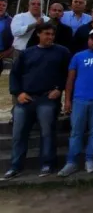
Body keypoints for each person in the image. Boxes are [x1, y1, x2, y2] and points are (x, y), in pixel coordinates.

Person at [5, 23, 71, 179]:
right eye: (46, 34)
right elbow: (14, 75)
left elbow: (68, 74)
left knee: (47, 132)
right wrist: (18, 92)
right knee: (18, 133)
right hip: (25, 98)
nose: (50, 37)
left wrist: (59, 88)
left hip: (47, 98)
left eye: (52, 34)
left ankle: (47, 164)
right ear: (38, 34)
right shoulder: (27, 53)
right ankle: (15, 166)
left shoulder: (62, 52)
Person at [57, 28, 93, 177]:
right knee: (76, 131)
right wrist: (67, 100)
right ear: (88, 40)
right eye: (92, 38)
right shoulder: (78, 56)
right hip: (79, 99)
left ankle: (90, 159)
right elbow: (70, 80)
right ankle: (71, 162)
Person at [9, 0, 50, 122]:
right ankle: (16, 113)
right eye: (33, 3)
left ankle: (36, 113)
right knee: (19, 82)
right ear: (29, 5)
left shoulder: (47, 19)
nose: (36, 6)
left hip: (41, 53)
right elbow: (16, 32)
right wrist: (34, 25)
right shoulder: (20, 17)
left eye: (39, 4)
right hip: (21, 52)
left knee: (39, 82)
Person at [0, 0, 13, 74]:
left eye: (3, 5)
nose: (1, 7)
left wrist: (8, 51)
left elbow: (16, 39)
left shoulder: (11, 21)